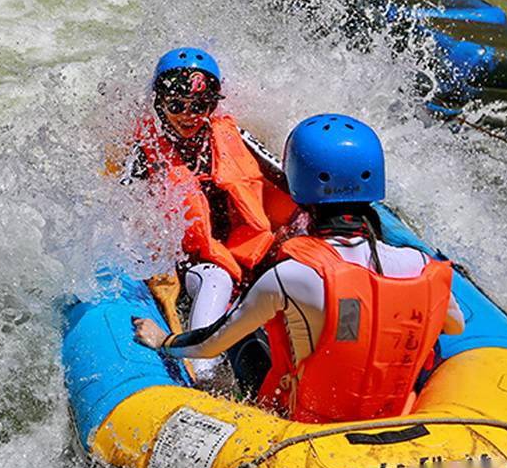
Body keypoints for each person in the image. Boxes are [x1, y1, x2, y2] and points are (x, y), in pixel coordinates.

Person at [133, 115, 464, 423]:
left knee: (244, 330)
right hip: (394, 417)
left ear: (297, 189)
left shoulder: (292, 275)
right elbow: (454, 326)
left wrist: (163, 339)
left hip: (304, 426)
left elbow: (211, 343)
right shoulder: (421, 265)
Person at [127, 48, 297, 357]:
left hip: (242, 254)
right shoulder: (145, 151)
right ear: (159, 104)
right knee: (215, 278)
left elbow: (288, 180)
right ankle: (203, 372)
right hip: (190, 263)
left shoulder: (232, 134)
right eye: (177, 105)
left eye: (201, 106)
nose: (189, 116)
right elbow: (123, 211)